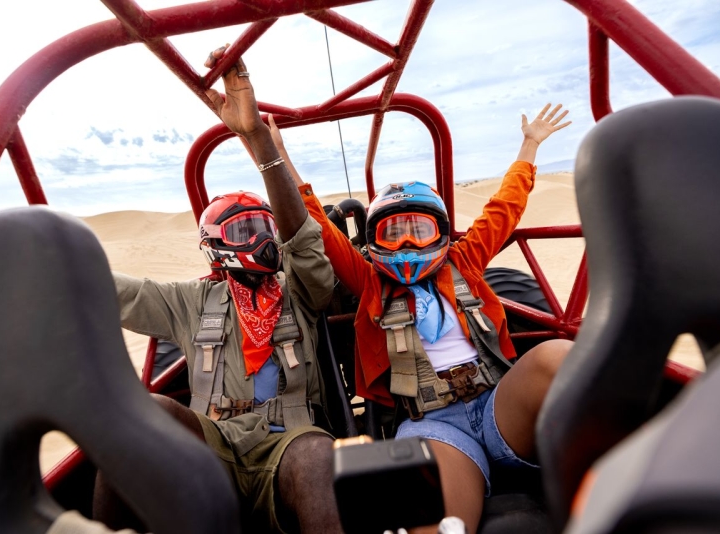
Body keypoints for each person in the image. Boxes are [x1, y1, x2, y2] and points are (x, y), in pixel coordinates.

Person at [206, 46, 574, 534]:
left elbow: (503, 210)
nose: (405, 244)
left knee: (556, 356)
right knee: (428, 509)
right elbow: (315, 220)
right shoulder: (370, 283)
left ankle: (622, 473)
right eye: (391, 232)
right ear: (372, 241)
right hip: (434, 426)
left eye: (418, 232)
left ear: (441, 233)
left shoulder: (463, 261)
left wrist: (529, 147)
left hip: (495, 402)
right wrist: (271, 153)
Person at [93, 47, 342, 534]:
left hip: (289, 441)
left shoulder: (301, 290)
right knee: (143, 412)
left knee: (317, 455)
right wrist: (45, 271)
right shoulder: (191, 301)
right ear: (217, 248)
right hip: (212, 442)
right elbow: (118, 293)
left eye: (262, 226)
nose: (261, 238)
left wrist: (257, 140)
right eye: (245, 229)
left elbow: (303, 243)